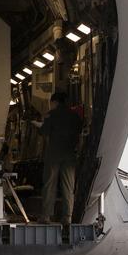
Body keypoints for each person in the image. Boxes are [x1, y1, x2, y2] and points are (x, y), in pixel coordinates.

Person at [35, 92, 82, 222]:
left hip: (53, 155)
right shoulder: (75, 116)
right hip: (70, 154)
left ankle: (46, 216)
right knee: (68, 186)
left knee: (50, 184)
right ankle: (68, 216)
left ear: (55, 102)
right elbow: (79, 131)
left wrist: (40, 123)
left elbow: (43, 132)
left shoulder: (52, 115)